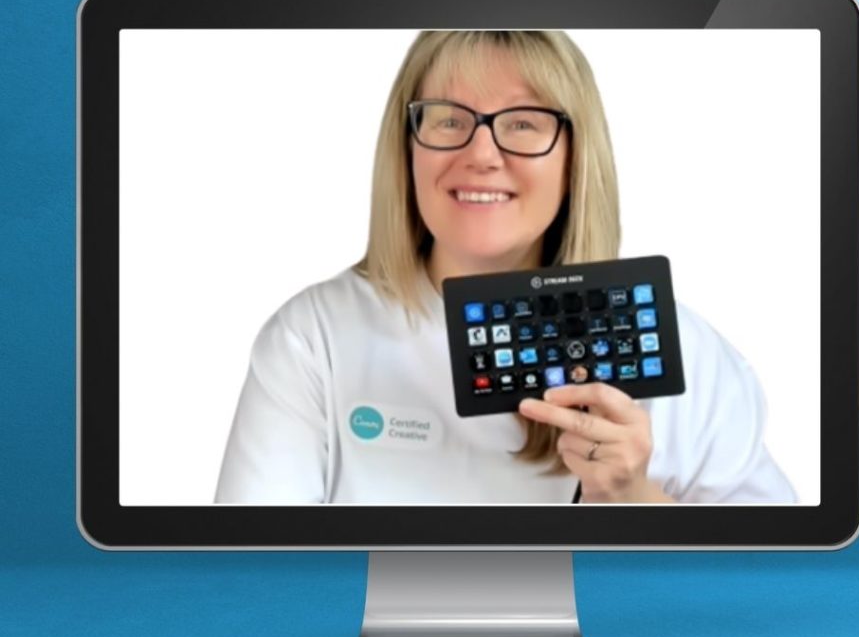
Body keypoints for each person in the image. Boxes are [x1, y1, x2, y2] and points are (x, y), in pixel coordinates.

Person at [214, 30, 796, 504]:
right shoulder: (312, 337)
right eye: (448, 119)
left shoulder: (680, 349)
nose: (482, 155)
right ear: (406, 146)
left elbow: (765, 589)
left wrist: (632, 497)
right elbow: (254, 577)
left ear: (575, 157)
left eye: (522, 123)